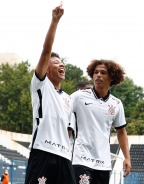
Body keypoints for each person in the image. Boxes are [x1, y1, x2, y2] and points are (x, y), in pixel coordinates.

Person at [25, 5, 76, 184]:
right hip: (42, 151)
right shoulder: (40, 85)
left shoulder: (69, 99)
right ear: (46, 68)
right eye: (56, 62)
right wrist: (55, 20)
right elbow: (46, 50)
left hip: (64, 155)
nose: (61, 65)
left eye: (62, 63)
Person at [70, 59, 131, 184]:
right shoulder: (78, 96)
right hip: (80, 158)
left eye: (103, 73)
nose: (98, 75)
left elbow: (121, 132)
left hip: (103, 163)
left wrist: (127, 158)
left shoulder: (116, 104)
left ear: (112, 77)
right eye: (96, 72)